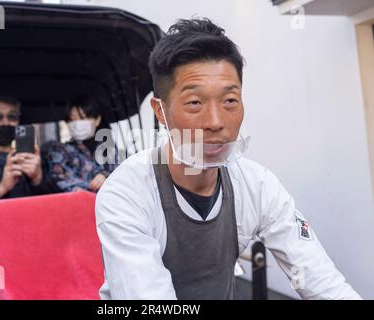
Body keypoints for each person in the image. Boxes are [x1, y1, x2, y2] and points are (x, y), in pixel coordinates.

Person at [95, 18, 361, 299]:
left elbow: (321, 281)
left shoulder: (257, 186)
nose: (216, 121)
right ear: (160, 111)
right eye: (195, 103)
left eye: (230, 101)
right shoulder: (127, 193)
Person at [46, 97, 110, 192]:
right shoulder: (60, 150)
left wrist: (105, 176)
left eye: (83, 118)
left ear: (97, 120)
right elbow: (59, 179)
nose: (77, 124)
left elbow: (121, 173)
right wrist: (91, 186)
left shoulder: (108, 148)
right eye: (72, 120)